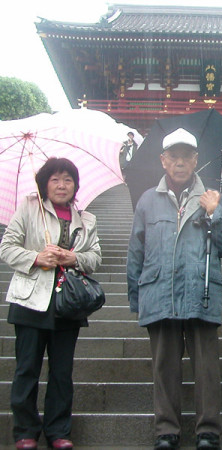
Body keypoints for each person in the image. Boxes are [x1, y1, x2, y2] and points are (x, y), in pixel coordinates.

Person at [127, 128, 222, 450]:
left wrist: (215, 213)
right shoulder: (148, 200)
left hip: (200, 290)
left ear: (195, 160)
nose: (180, 162)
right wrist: (137, 298)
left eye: (186, 157)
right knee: (164, 367)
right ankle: (167, 430)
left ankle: (208, 431)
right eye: (173, 157)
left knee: (207, 369)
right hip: (159, 292)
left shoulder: (214, 197)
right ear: (164, 161)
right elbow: (136, 250)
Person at [0, 157, 102, 450]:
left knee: (61, 371)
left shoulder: (87, 219)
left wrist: (75, 258)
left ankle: (59, 431)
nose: (61, 185)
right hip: (30, 300)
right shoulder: (30, 208)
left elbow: (95, 257)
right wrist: (35, 258)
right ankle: (25, 431)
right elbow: (7, 246)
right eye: (55, 179)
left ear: (76, 185)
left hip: (67, 303)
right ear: (45, 183)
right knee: (26, 369)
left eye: (68, 179)